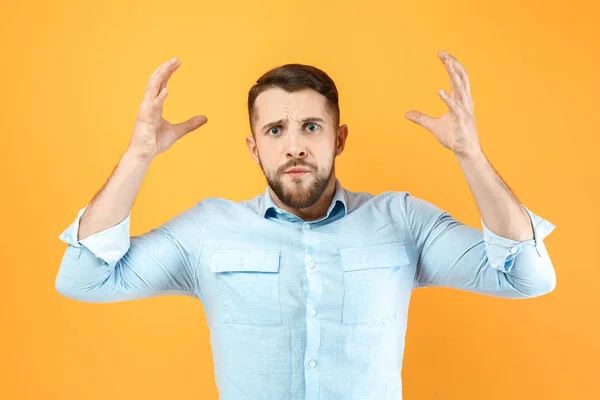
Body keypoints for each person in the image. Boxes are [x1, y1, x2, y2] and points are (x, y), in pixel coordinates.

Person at [55, 50, 557, 400]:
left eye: (310, 127)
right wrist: (139, 153)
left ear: (338, 139)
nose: (294, 145)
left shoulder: (402, 220)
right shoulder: (208, 230)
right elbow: (83, 278)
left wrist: (470, 154)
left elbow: (526, 277)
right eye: (275, 129)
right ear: (255, 148)